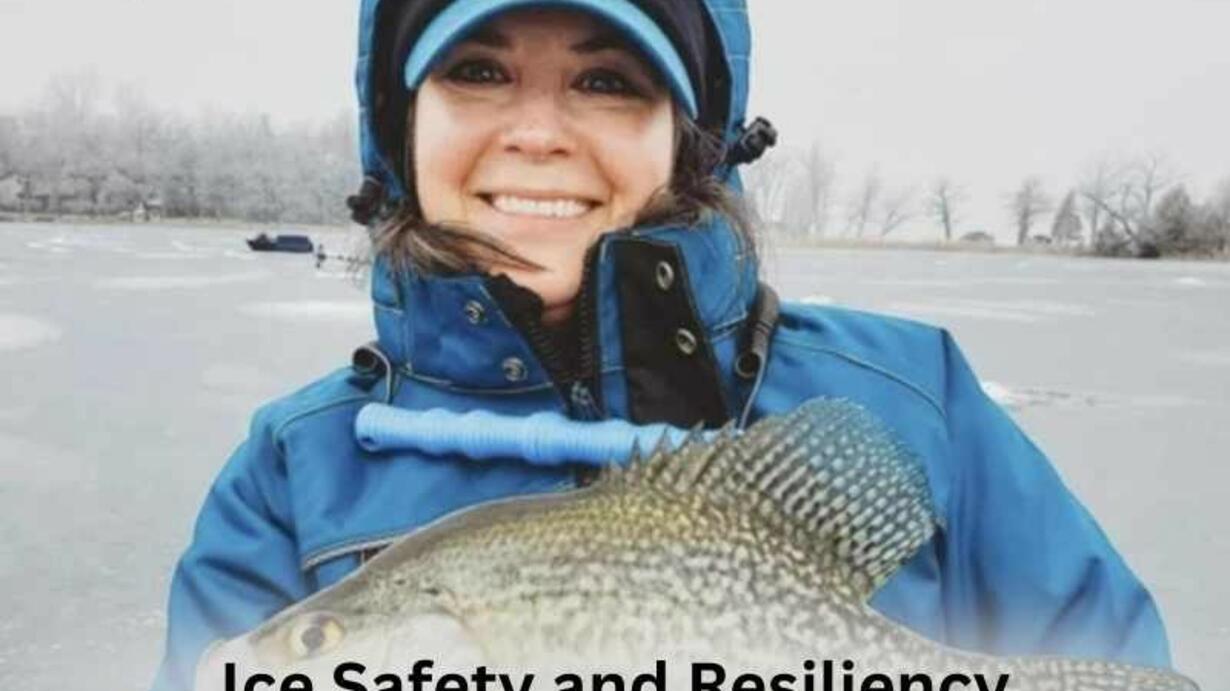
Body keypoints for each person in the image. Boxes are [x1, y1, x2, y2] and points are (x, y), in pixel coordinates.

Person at [152, 1, 1173, 689]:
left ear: (692, 135)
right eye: (478, 71)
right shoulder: (289, 475)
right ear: (399, 125)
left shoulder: (912, 399)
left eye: (606, 81)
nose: (538, 134)